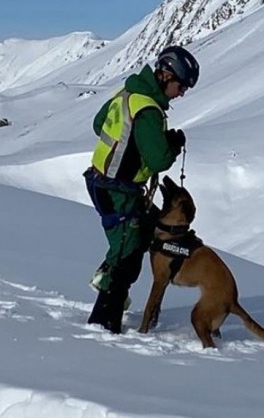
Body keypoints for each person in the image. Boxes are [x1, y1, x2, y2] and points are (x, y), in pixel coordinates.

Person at [83, 44, 199, 333]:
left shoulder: (127, 93)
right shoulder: (148, 109)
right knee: (127, 256)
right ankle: (103, 324)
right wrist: (171, 145)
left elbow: (99, 125)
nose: (181, 93)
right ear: (166, 76)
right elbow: (159, 161)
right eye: (181, 86)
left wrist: (133, 143)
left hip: (100, 181)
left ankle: (107, 279)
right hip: (118, 189)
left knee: (138, 236)